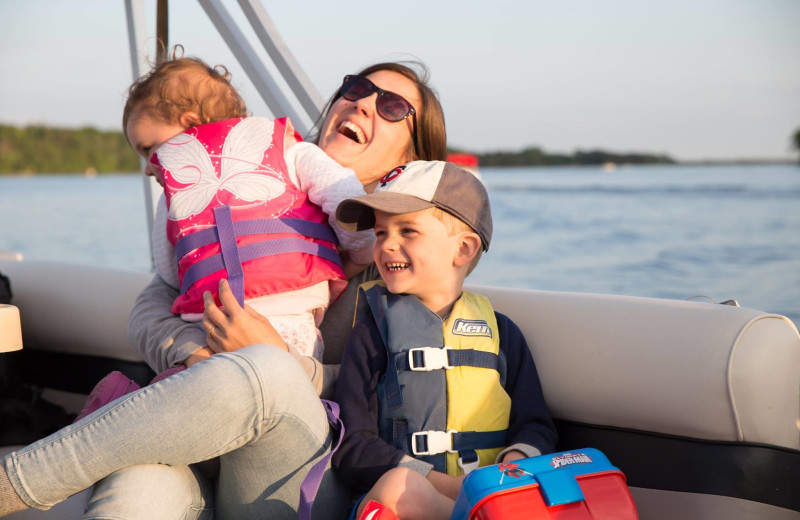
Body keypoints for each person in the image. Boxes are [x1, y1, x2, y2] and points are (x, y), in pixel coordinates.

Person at [0, 61, 446, 519]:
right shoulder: (246, 195)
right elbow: (150, 312)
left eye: (392, 106)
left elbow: (389, 388)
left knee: (266, 368)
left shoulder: (406, 262)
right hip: (202, 431)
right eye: (356, 88)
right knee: (139, 483)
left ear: (409, 157)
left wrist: (278, 359)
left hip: (308, 471)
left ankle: (15, 482)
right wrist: (205, 357)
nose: (364, 102)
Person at [331, 160, 558, 520]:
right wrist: (452, 488)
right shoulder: (372, 333)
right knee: (398, 488)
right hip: (403, 501)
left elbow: (535, 424)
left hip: (494, 495)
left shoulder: (503, 334)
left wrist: (513, 467)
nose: (387, 245)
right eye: (380, 233)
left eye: (407, 231)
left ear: (463, 250)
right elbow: (354, 448)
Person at [124, 55, 373, 360]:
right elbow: (344, 195)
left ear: (188, 126)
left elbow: (169, 273)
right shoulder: (290, 151)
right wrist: (359, 248)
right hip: (293, 318)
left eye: (149, 149)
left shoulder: (175, 193)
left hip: (214, 324)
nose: (150, 168)